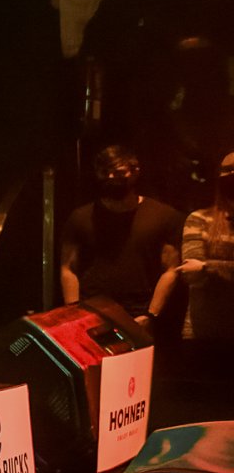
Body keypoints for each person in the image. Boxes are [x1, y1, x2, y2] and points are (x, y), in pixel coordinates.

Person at [59, 145, 184, 332]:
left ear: (135, 171)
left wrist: (151, 314)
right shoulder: (80, 217)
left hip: (139, 312)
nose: (110, 177)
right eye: (104, 172)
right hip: (90, 312)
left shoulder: (163, 216)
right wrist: (74, 313)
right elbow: (68, 268)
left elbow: (171, 269)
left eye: (118, 172)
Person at [179, 150, 234, 349]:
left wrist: (206, 266)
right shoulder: (199, 219)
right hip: (204, 332)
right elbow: (191, 274)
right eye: (228, 173)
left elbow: (198, 268)